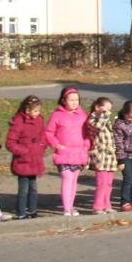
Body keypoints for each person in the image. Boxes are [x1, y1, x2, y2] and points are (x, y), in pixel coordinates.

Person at [45, 87, 91, 216]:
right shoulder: (57, 115)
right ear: (63, 100)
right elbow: (49, 133)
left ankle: (71, 206)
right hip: (63, 153)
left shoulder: (83, 115)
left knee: (74, 180)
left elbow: (88, 133)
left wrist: (86, 146)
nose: (74, 102)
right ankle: (66, 208)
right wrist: (56, 145)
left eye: (76, 99)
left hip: (78, 153)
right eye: (71, 100)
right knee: (67, 177)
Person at [5, 95, 48, 218]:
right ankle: (21, 212)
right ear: (27, 110)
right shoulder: (19, 122)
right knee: (23, 189)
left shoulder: (39, 120)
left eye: (39, 111)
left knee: (33, 187)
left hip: (35, 158)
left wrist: (41, 146)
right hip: (23, 160)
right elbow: (10, 143)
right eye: (35, 111)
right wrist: (24, 151)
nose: (38, 113)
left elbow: (43, 135)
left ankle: (33, 210)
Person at [87, 97, 118, 214]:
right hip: (100, 156)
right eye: (106, 110)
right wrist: (104, 114)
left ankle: (107, 204)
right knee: (101, 183)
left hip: (110, 157)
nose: (108, 113)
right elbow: (98, 127)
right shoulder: (92, 120)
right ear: (97, 107)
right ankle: (98, 206)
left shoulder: (107, 121)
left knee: (108, 183)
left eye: (110, 110)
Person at [113, 100, 132, 212]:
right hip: (125, 155)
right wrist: (120, 160)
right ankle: (125, 201)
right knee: (128, 179)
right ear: (124, 113)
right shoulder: (119, 124)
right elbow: (118, 142)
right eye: (129, 117)